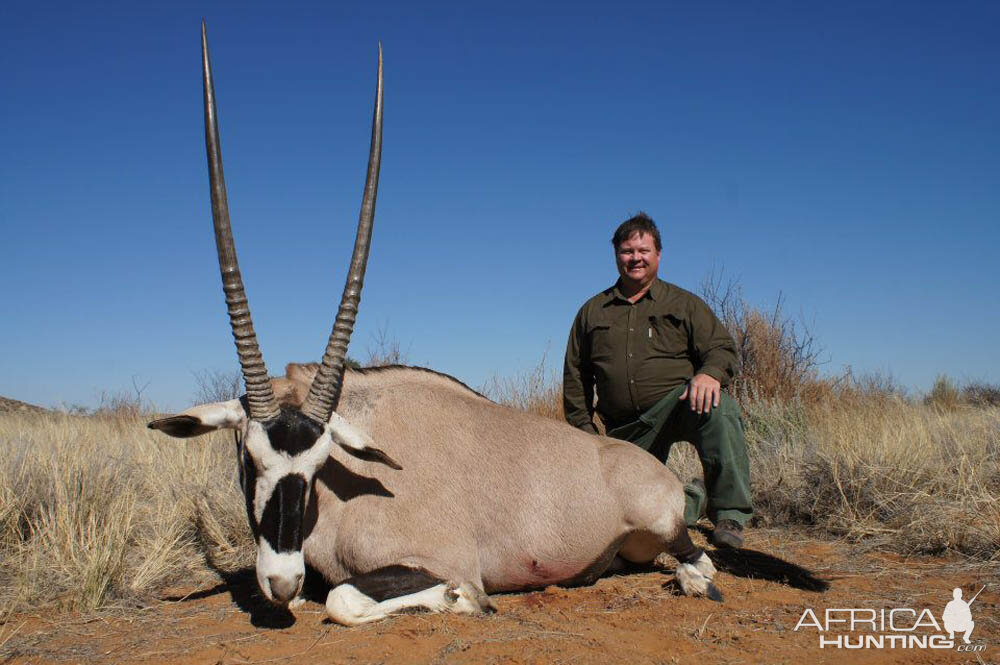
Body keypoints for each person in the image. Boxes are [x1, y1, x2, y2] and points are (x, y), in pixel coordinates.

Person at [562, 212, 752, 548]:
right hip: (625, 429)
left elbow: (722, 348)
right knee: (616, 517)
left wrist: (709, 375)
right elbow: (576, 376)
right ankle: (692, 500)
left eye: (643, 250)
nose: (635, 258)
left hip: (678, 405)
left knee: (721, 412)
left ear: (658, 255)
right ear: (616, 256)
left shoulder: (684, 303)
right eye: (626, 251)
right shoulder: (592, 311)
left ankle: (730, 514)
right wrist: (585, 433)